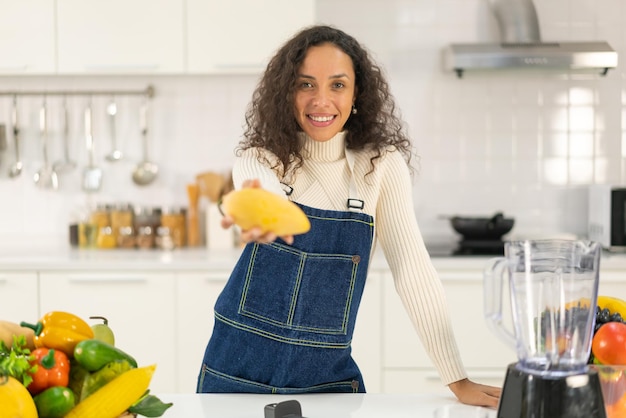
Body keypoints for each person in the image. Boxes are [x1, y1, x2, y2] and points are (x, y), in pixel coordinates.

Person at [197, 24, 501, 408]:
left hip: (326, 382)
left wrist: (457, 378)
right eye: (305, 84)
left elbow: (413, 270)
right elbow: (260, 194)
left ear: (357, 94)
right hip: (235, 374)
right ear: (286, 93)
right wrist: (261, 213)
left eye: (337, 85)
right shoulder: (261, 158)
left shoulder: (380, 167)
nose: (321, 100)